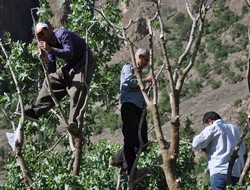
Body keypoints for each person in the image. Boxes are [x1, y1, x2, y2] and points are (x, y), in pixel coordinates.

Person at [15, 22, 96, 136]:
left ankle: (74, 123)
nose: (42, 37)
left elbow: (69, 53)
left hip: (84, 61)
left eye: (42, 34)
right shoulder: (49, 44)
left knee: (78, 87)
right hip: (71, 66)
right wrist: (46, 59)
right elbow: (52, 68)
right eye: (39, 36)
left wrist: (51, 49)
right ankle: (36, 112)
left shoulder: (62, 34)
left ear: (48, 30)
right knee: (51, 80)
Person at [110, 48, 152, 179]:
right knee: (130, 138)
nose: (146, 63)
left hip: (139, 109)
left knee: (142, 141)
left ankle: (119, 159)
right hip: (130, 106)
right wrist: (145, 80)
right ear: (139, 57)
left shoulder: (139, 72)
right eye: (145, 60)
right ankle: (131, 171)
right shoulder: (128, 67)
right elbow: (129, 82)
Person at [192, 111, 245, 190]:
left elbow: (196, 143)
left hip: (220, 173)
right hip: (236, 174)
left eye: (205, 126)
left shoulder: (215, 126)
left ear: (210, 121)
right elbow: (242, 151)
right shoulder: (235, 129)